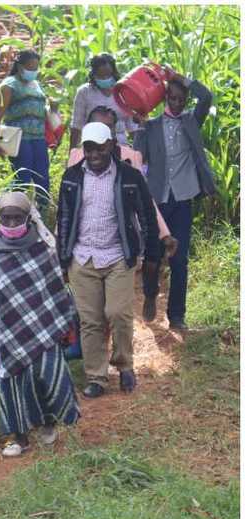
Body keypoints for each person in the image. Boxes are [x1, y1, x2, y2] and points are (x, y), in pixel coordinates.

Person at [0, 191, 80, 457]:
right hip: (7, 331)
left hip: (44, 326)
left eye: (16, 218)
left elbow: (55, 288)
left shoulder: (42, 245)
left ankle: (48, 423)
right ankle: (17, 437)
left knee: (46, 373)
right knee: (13, 381)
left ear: (28, 218)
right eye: (5, 218)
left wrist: (61, 322)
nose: (10, 223)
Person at [57, 122, 160, 398]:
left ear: (112, 146)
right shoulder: (71, 177)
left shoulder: (129, 176)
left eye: (99, 148)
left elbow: (146, 215)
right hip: (83, 257)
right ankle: (96, 377)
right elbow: (64, 220)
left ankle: (125, 364)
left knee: (118, 313)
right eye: (88, 148)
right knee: (90, 320)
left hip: (117, 255)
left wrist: (151, 255)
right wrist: (63, 260)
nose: (94, 154)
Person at [134, 72, 215, 330]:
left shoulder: (192, 121)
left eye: (182, 99)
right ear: (165, 98)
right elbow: (140, 156)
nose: (178, 103)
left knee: (179, 259)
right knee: (152, 257)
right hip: (157, 201)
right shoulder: (153, 125)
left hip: (182, 199)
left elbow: (207, 97)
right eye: (173, 98)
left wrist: (183, 79)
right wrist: (140, 127)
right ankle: (149, 295)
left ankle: (176, 315)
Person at [67, 105, 177, 255]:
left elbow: (146, 201)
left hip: (123, 240)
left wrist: (163, 234)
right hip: (85, 242)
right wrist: (60, 237)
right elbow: (68, 203)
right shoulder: (77, 157)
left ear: (114, 132)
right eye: (98, 127)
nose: (103, 133)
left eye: (108, 128)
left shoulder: (130, 157)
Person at [0, 49, 52, 208]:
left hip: (38, 137)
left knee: (42, 177)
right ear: (19, 67)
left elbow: (40, 109)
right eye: (30, 67)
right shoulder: (8, 86)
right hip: (19, 138)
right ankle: (4, 206)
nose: (33, 71)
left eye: (36, 68)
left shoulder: (36, 84)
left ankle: (43, 209)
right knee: (23, 177)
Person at [70, 53, 138, 147]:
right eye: (101, 76)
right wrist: (72, 152)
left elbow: (132, 126)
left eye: (108, 76)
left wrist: (139, 150)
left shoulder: (123, 92)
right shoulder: (84, 92)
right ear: (94, 74)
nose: (105, 79)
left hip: (120, 144)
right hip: (93, 145)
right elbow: (76, 125)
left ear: (114, 73)